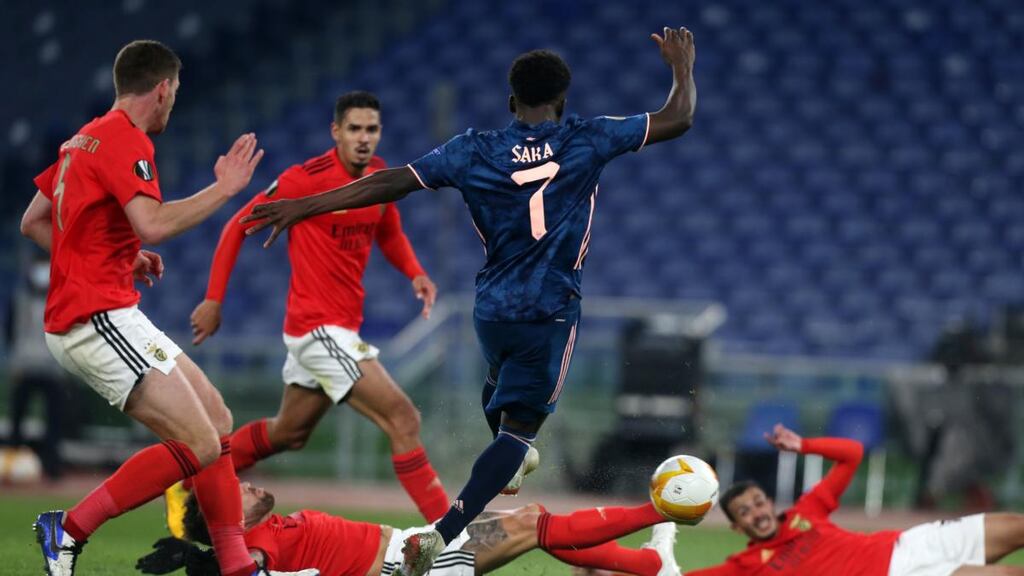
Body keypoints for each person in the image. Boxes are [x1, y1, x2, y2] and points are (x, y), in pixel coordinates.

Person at [242, 27, 697, 575]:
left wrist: (306, 206)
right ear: (563, 100)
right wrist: (681, 68)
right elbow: (677, 118)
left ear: (511, 101)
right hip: (548, 308)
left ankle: (510, 458)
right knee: (516, 430)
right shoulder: (589, 137)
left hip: (492, 309)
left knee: (503, 416)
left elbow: (390, 183)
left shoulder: (473, 147)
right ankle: (444, 531)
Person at [19, 39, 315, 576]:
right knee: (199, 444)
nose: (174, 104)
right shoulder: (124, 141)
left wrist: (117, 258)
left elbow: (34, 222)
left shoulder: (81, 140)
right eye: (175, 93)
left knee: (218, 421)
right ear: (161, 89)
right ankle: (69, 529)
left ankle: (234, 565)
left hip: (110, 309)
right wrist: (225, 189)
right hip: (93, 320)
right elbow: (154, 223)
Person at [175, 91, 447, 533]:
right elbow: (236, 226)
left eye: (372, 129)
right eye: (354, 129)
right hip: (319, 329)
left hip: (331, 330)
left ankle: (186, 479)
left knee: (289, 434)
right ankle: (453, 535)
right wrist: (213, 299)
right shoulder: (305, 180)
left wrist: (415, 272)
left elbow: (390, 232)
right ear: (336, 132)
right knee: (403, 418)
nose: (364, 138)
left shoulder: (379, 177)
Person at [678, 424, 1024, 575]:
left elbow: (852, 454)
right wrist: (624, 561)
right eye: (745, 513)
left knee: (1016, 526)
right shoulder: (747, 567)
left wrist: (805, 446)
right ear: (737, 527)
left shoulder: (807, 511)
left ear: (769, 501)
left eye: (757, 503)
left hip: (911, 545)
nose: (756, 513)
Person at [137, 481, 682, 576]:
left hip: (409, 549)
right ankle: (660, 514)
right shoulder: (254, 545)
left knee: (528, 520)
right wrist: (198, 558)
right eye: (240, 491)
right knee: (531, 523)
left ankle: (650, 565)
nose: (251, 487)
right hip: (411, 567)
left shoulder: (265, 525)